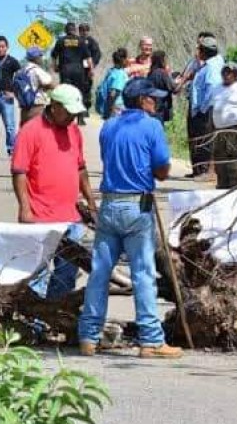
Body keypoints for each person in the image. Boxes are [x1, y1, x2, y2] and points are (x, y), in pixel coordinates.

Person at [78, 78, 183, 359]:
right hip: (136, 205)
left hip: (110, 204)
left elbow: (107, 157)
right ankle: (150, 340)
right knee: (143, 274)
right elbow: (162, 170)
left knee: (100, 273)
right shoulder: (151, 125)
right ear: (141, 100)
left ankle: (88, 336)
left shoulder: (109, 125)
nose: (156, 102)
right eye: (152, 98)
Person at [12, 84, 98, 300]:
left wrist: (90, 201)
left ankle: (54, 320)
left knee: (66, 276)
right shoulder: (31, 131)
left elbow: (80, 167)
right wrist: (25, 208)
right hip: (41, 218)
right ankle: (35, 326)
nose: (72, 117)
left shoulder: (73, 131)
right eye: (68, 112)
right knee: (37, 276)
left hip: (71, 218)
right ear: (55, 106)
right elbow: (19, 171)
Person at [211, 62, 237, 189]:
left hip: (234, 129)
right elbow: (212, 109)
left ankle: (235, 189)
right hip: (218, 131)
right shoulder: (217, 88)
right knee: (219, 161)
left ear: (235, 74)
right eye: (224, 72)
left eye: (229, 72)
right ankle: (222, 187)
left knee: (233, 162)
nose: (225, 74)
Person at [189, 35, 224, 179]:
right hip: (207, 107)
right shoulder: (214, 62)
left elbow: (211, 88)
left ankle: (208, 172)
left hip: (208, 108)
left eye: (200, 50)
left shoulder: (211, 66)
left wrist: (202, 109)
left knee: (206, 139)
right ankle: (204, 171)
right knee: (205, 139)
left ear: (205, 51)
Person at [50, 22, 92, 126]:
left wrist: (55, 66)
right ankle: (80, 118)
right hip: (78, 70)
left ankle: (66, 116)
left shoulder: (60, 41)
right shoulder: (81, 41)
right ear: (75, 30)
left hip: (65, 70)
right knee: (79, 92)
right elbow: (88, 57)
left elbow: (54, 56)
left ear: (65, 30)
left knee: (66, 93)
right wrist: (91, 70)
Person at [182, 33, 209, 177]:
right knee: (193, 137)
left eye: (201, 46)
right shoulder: (192, 62)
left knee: (203, 138)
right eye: (198, 45)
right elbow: (184, 77)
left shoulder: (209, 65)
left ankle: (203, 169)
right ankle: (196, 169)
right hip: (192, 104)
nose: (198, 49)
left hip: (202, 108)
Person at [18, 46, 54, 126]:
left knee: (24, 134)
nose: (41, 58)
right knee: (37, 134)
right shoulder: (37, 70)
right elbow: (50, 83)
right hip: (37, 108)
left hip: (24, 109)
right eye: (40, 56)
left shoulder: (22, 70)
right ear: (36, 58)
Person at [96, 48, 129, 119]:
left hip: (111, 107)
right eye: (127, 58)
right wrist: (108, 112)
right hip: (116, 108)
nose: (128, 61)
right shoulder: (119, 74)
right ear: (123, 60)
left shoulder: (111, 71)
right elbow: (113, 93)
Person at [146, 50, 178, 123]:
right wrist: (182, 80)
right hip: (160, 109)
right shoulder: (162, 73)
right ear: (162, 60)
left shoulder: (151, 73)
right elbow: (174, 89)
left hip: (152, 108)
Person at [79, 23, 102, 114]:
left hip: (88, 69)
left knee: (87, 89)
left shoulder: (92, 41)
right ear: (79, 31)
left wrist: (92, 65)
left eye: (86, 30)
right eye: (82, 30)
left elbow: (97, 54)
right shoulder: (76, 40)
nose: (84, 32)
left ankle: (86, 108)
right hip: (77, 69)